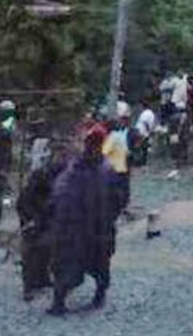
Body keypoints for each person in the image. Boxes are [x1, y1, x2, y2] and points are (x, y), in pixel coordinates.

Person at [48, 126, 123, 315]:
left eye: (97, 144)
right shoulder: (75, 169)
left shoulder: (105, 170)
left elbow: (118, 199)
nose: (93, 148)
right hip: (77, 227)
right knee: (70, 264)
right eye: (91, 143)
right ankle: (59, 301)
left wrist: (109, 219)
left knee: (99, 265)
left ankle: (98, 295)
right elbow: (60, 195)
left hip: (97, 227)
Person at [19, 157, 66, 301]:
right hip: (31, 213)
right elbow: (25, 202)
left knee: (47, 248)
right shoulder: (40, 178)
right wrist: (31, 220)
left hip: (45, 214)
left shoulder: (60, 178)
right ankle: (28, 287)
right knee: (31, 250)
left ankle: (42, 279)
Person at [131, 101, 155, 167]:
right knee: (143, 147)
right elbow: (146, 123)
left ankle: (138, 161)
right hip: (143, 132)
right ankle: (141, 161)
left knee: (139, 146)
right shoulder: (149, 113)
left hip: (139, 130)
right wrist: (149, 131)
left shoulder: (144, 113)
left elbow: (144, 122)